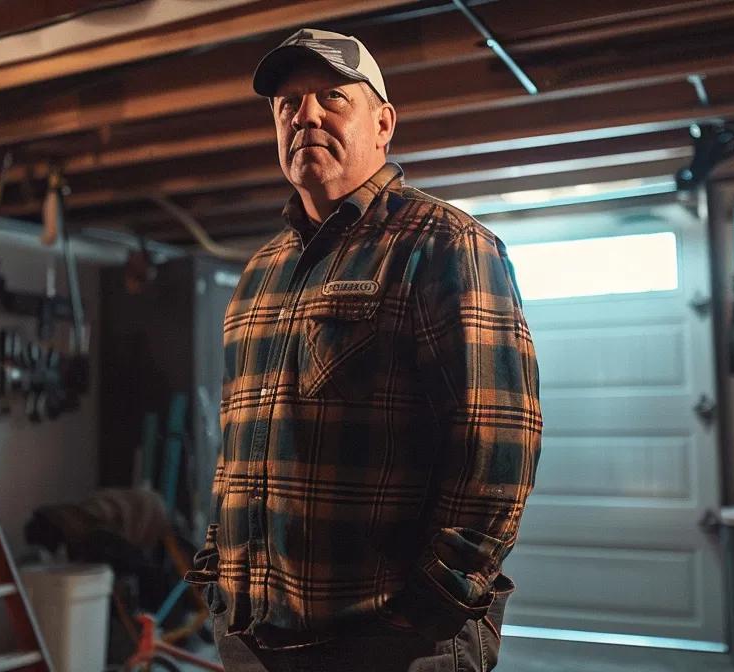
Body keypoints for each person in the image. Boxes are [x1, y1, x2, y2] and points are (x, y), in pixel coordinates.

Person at [185, 28, 543, 672]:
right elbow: (240, 447)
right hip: (252, 637)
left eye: (331, 97)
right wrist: (218, 570)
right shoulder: (260, 271)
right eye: (288, 104)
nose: (306, 115)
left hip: (386, 642)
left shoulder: (444, 244)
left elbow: (498, 448)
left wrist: (429, 608)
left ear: (383, 123)